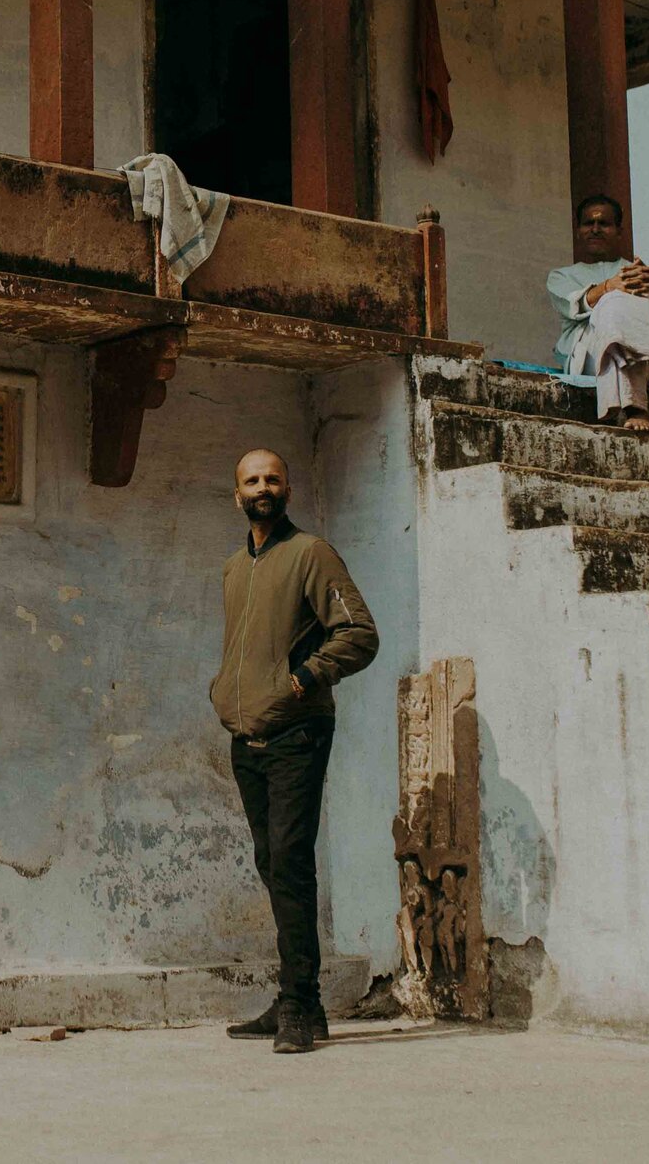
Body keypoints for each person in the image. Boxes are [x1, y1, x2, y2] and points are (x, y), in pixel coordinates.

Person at [211, 448, 379, 1054]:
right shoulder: (235, 567)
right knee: (271, 863)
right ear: (237, 495)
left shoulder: (310, 553)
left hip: (297, 733)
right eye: (251, 479)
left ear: (287, 489)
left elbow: (359, 634)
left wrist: (303, 680)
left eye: (272, 478)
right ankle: (293, 998)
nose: (262, 486)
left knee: (290, 861)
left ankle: (303, 1008)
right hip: (246, 738)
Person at [545, 192, 649, 431]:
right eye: (589, 223)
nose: (595, 229)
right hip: (589, 351)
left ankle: (644, 399)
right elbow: (575, 303)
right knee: (613, 300)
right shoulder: (561, 276)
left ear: (618, 231)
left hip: (636, 346)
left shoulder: (633, 269)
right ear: (578, 230)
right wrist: (609, 287)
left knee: (641, 288)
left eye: (604, 224)